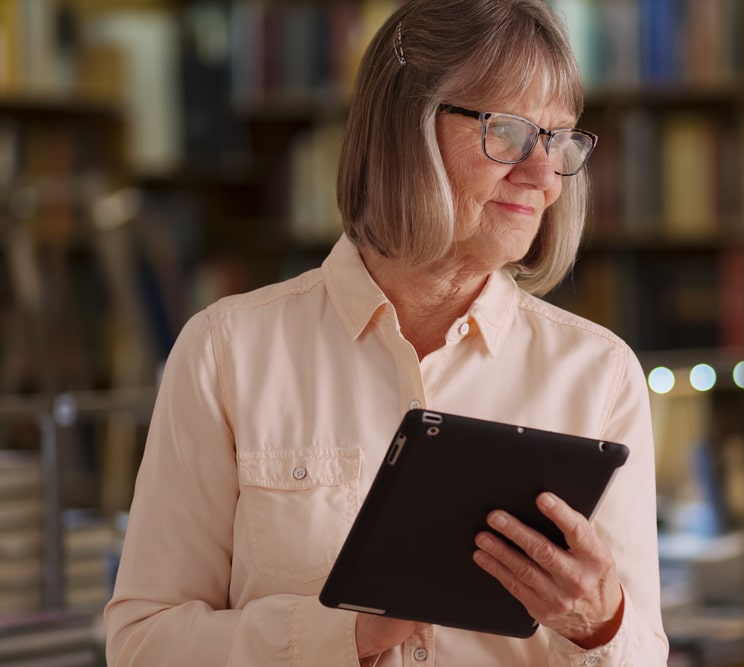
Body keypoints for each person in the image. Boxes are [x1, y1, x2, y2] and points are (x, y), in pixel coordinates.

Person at [104, 0, 669, 664]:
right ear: (407, 129)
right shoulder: (225, 353)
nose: (544, 175)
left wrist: (601, 624)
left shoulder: (599, 375)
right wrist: (341, 634)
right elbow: (142, 644)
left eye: (559, 138)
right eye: (509, 131)